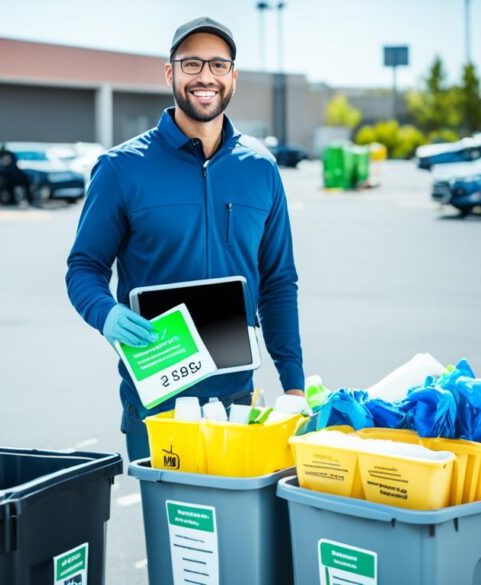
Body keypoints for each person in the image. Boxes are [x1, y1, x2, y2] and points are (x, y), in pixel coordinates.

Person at [65, 17, 304, 461]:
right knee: (174, 529)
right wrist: (107, 314)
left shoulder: (260, 169)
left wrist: (293, 384)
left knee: (238, 530)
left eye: (218, 64)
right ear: (170, 73)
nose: (205, 77)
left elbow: (278, 282)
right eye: (191, 63)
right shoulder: (121, 169)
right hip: (156, 407)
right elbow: (84, 268)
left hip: (238, 405)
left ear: (233, 76)